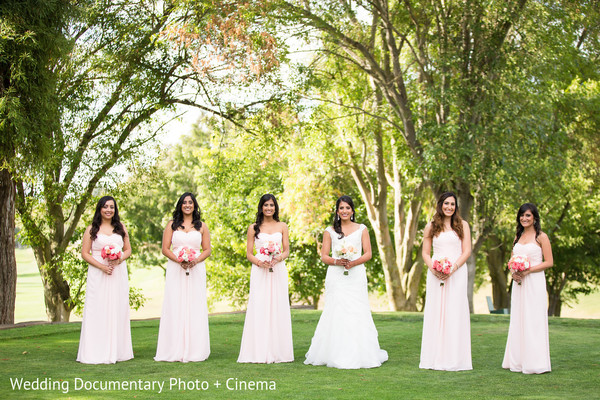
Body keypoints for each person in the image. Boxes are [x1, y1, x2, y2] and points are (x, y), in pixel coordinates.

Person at [304, 195, 387, 369]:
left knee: (357, 309)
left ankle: (361, 353)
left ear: (352, 210)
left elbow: (368, 253)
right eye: (341, 208)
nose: (344, 211)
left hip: (356, 275)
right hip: (336, 275)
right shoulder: (330, 231)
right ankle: (334, 352)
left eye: (347, 208)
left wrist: (353, 262)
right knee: (337, 309)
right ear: (337, 211)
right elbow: (324, 256)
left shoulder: (362, 228)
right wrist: (338, 261)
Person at [155, 192, 211, 362]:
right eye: (184, 202)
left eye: (190, 202)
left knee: (195, 305)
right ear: (180, 205)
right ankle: (173, 348)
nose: (187, 205)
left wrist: (195, 261)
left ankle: (196, 349)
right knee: (175, 304)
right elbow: (165, 248)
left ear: (195, 205)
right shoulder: (172, 225)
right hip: (175, 268)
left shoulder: (202, 226)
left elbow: (207, 249)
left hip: (196, 269)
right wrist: (179, 260)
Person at [238, 194, 294, 363]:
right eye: (266, 205)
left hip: (277, 269)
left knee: (278, 305)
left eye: (271, 205)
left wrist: (279, 258)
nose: (269, 208)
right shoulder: (253, 227)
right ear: (261, 207)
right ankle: (258, 351)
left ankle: (279, 352)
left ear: (275, 207)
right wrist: (259, 262)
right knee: (260, 305)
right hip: (260, 271)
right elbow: (248, 253)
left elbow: (286, 250)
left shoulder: (282, 226)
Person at [77, 196, 133, 364]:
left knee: (117, 308)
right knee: (98, 309)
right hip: (98, 274)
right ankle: (96, 351)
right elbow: (85, 253)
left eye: (112, 207)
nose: (109, 210)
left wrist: (119, 258)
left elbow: (128, 249)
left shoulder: (120, 228)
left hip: (117, 273)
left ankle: (118, 351)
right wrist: (101, 267)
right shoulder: (91, 229)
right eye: (105, 206)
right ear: (99, 209)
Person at [420, 191, 472, 371]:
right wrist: (434, 268)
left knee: (454, 312)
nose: (449, 207)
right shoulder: (431, 226)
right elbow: (426, 253)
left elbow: (466, 251)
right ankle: (434, 358)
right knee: (437, 313)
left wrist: (453, 268)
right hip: (436, 274)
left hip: (457, 273)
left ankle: (455, 359)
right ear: (440, 205)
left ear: (456, 207)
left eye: (452, 204)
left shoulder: (463, 225)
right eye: (446, 203)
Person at [503, 203, 553, 374]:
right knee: (519, 318)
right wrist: (514, 272)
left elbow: (549, 262)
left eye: (528, 215)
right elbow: (511, 260)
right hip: (519, 283)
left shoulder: (541, 237)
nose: (524, 218)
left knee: (533, 320)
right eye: (522, 215)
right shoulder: (517, 236)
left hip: (534, 282)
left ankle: (536, 363)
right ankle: (517, 361)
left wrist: (528, 270)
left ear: (535, 218)